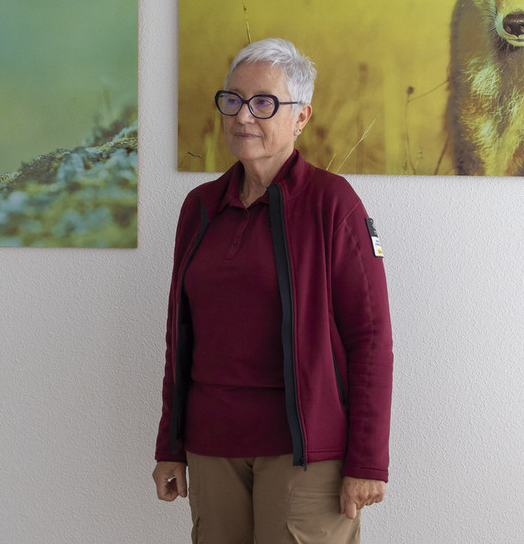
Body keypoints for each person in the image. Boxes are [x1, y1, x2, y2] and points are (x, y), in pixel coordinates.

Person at [153, 38, 393, 543]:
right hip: (212, 446)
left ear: (300, 117)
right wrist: (170, 445)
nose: (243, 116)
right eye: (233, 100)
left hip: (306, 453)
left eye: (264, 103)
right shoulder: (199, 207)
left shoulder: (333, 204)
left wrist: (368, 459)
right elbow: (180, 338)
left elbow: (370, 338)